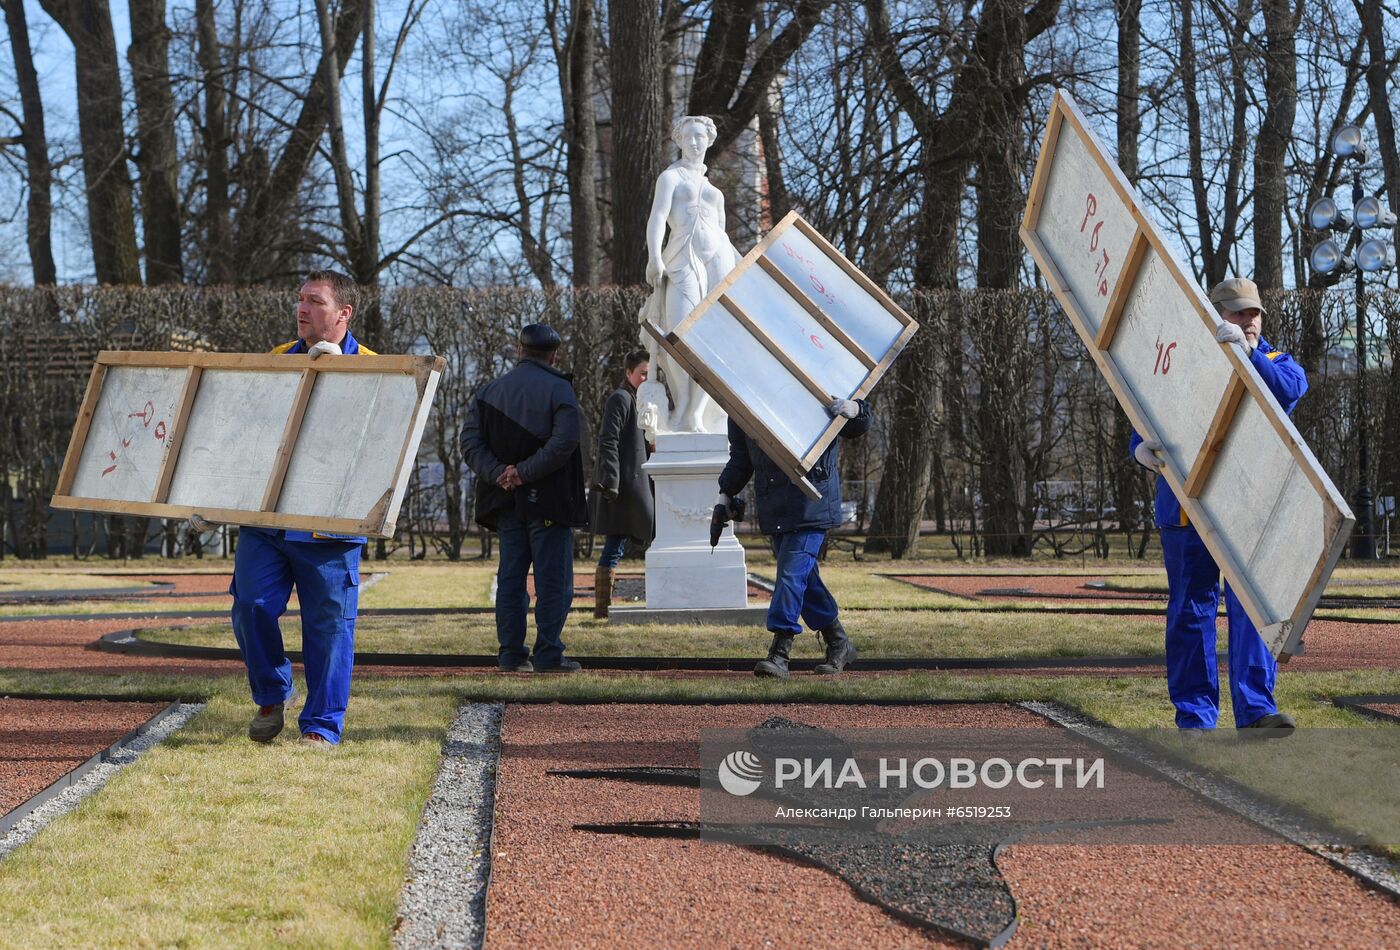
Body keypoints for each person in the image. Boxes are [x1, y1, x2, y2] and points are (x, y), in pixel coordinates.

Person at [195, 269, 376, 746]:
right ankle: (273, 693)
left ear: (343, 313)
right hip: (268, 521)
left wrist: (342, 378)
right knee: (250, 606)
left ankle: (320, 727)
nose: (301, 309)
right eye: (299, 299)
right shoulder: (275, 360)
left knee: (330, 629)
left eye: (314, 301)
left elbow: (378, 450)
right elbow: (244, 433)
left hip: (331, 525)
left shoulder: (379, 368)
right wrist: (205, 493)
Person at [1130, 277, 1307, 737]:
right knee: (1191, 611)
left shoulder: (1274, 361)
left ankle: (1256, 711)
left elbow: (1289, 391)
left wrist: (1247, 358)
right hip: (1185, 507)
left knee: (1253, 609)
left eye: (1253, 313)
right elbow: (1146, 405)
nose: (1247, 321)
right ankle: (1195, 718)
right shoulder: (1180, 363)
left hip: (1250, 510)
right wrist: (1138, 447)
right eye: (1236, 313)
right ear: (1214, 316)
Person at [462, 323, 589, 673]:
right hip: (549, 502)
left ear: (519, 350)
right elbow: (564, 444)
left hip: (505, 503)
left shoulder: (488, 391)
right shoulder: (560, 390)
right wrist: (525, 472)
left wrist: (500, 473)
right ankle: (548, 654)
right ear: (554, 355)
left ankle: (511, 655)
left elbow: (470, 444)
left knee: (510, 580)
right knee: (553, 583)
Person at [716, 398, 872, 677]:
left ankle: (780, 652)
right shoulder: (739, 392)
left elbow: (857, 423)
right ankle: (839, 642)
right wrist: (725, 494)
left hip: (812, 498)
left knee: (790, 574)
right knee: (804, 579)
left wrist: (857, 409)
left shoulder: (804, 374)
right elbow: (741, 455)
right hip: (775, 504)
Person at [640, 115, 741, 433]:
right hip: (682, 261)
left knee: (712, 339)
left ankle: (697, 411)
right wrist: (654, 257)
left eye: (700, 136)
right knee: (680, 336)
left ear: (709, 141)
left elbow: (722, 231)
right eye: (689, 137)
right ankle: (683, 403)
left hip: (717, 264)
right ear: (679, 141)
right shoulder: (671, 178)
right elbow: (657, 218)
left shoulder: (712, 188)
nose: (695, 142)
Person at [590, 350, 655, 618]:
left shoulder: (641, 400)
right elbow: (609, 440)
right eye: (642, 373)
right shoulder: (620, 398)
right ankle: (602, 608)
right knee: (615, 546)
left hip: (636, 484)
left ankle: (604, 609)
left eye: (649, 375)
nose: (645, 378)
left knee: (627, 542)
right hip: (623, 487)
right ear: (628, 373)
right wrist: (611, 482)